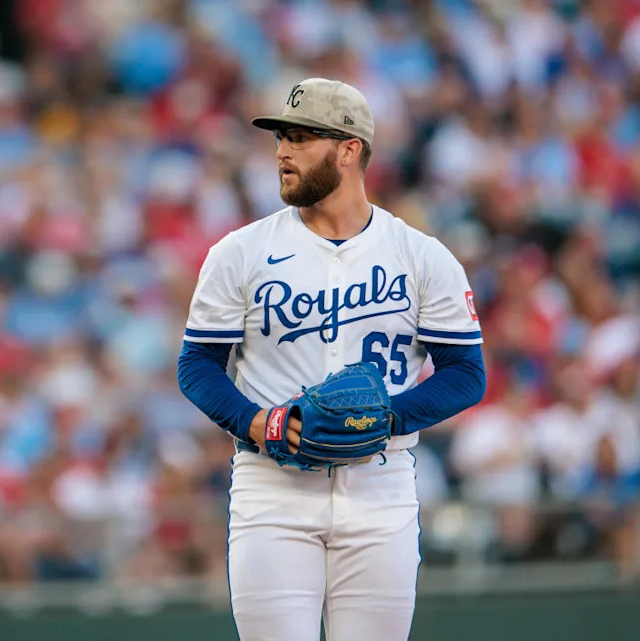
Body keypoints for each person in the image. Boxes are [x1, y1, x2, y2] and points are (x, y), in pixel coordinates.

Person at [177, 78, 487, 641]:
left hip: (381, 487)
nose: (282, 152)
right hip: (272, 486)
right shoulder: (239, 253)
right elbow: (196, 364)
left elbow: (466, 373)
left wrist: (386, 418)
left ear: (349, 149)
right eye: (280, 138)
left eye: (300, 137)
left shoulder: (421, 256)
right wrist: (257, 421)